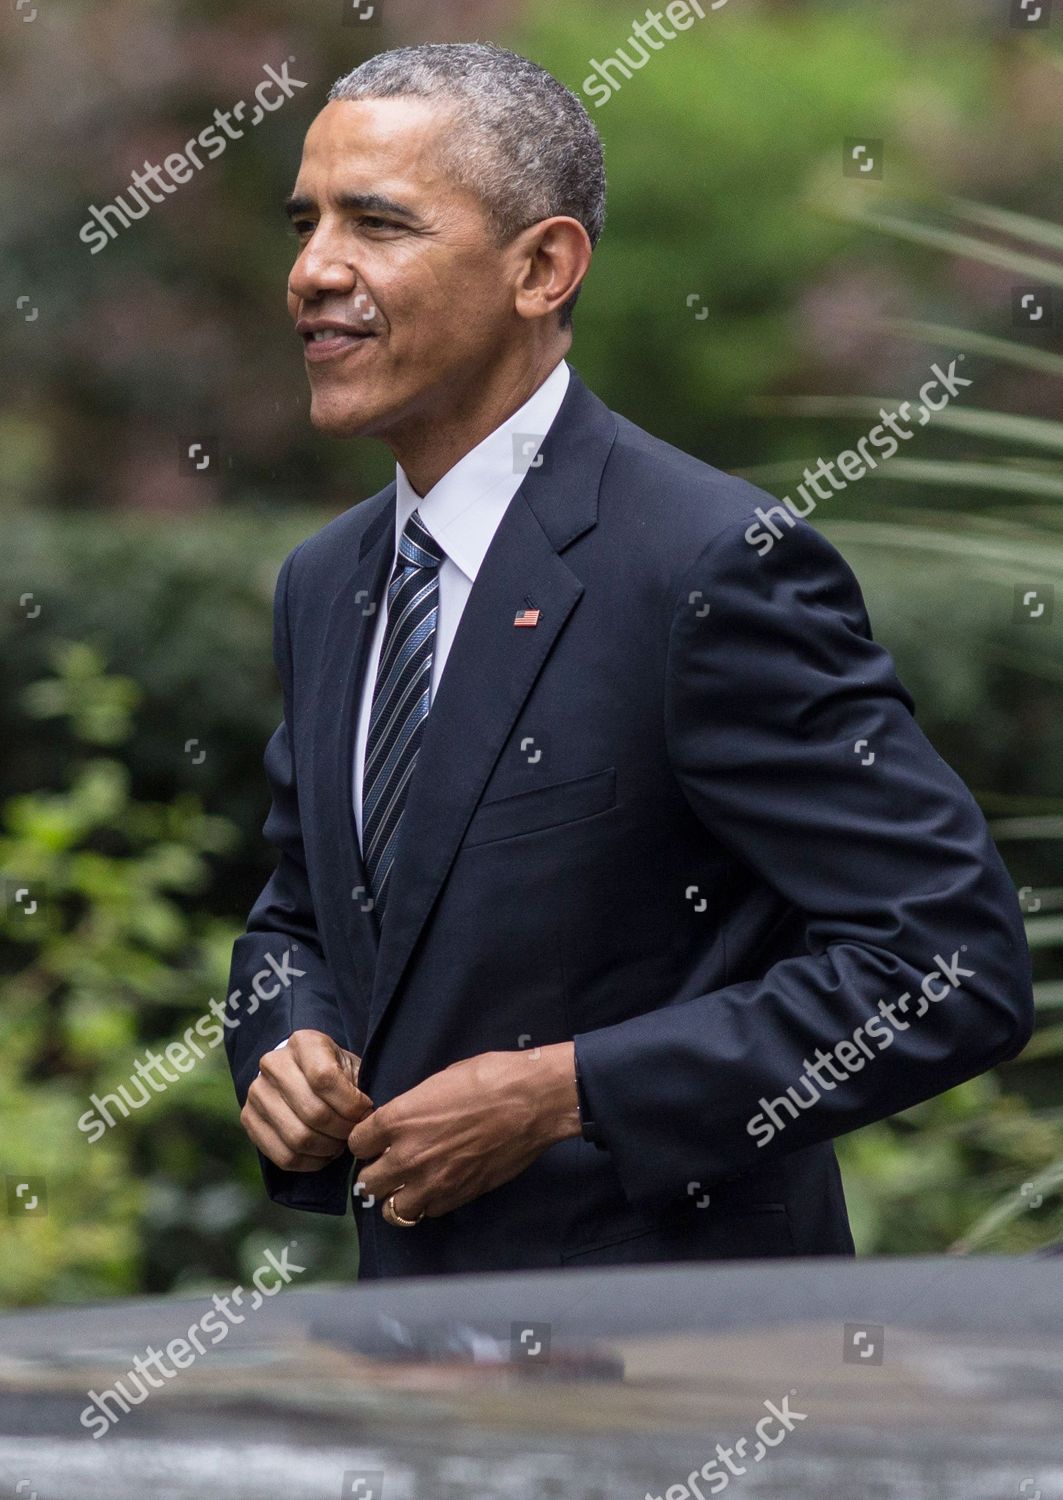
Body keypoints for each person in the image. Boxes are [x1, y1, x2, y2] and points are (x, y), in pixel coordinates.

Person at [225, 42, 1033, 1279]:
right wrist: (285, 1036)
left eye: (376, 222)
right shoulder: (325, 582)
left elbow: (947, 966)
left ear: (542, 266)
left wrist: (565, 1091)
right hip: (415, 1375)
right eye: (307, 222)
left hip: (683, 1385)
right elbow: (300, 911)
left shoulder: (711, 564)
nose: (313, 271)